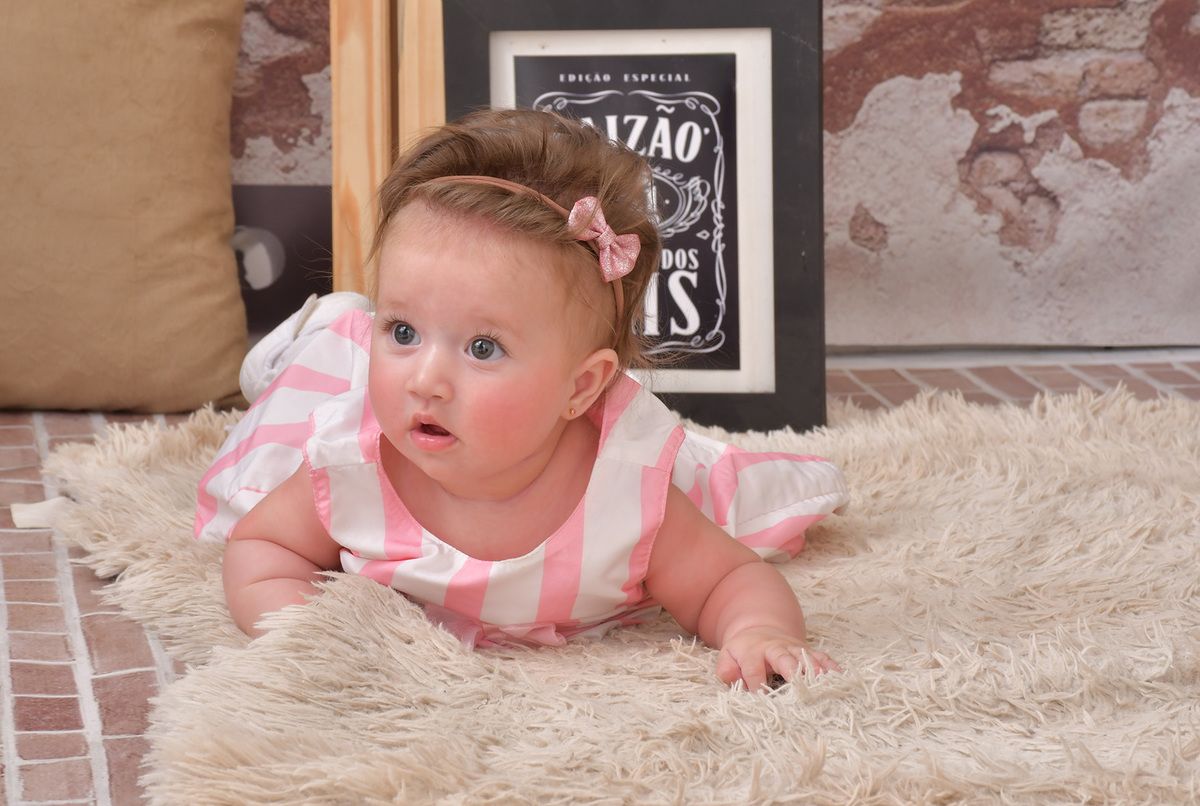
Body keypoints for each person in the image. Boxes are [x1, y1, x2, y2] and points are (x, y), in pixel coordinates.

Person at [200, 108, 849, 691]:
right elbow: (265, 550)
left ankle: (358, 327)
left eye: (483, 348)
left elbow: (727, 580)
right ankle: (325, 333)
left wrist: (759, 631)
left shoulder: (627, 491)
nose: (427, 379)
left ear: (581, 387)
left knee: (727, 497)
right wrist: (305, 632)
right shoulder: (349, 461)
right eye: (402, 330)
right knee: (290, 416)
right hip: (339, 386)